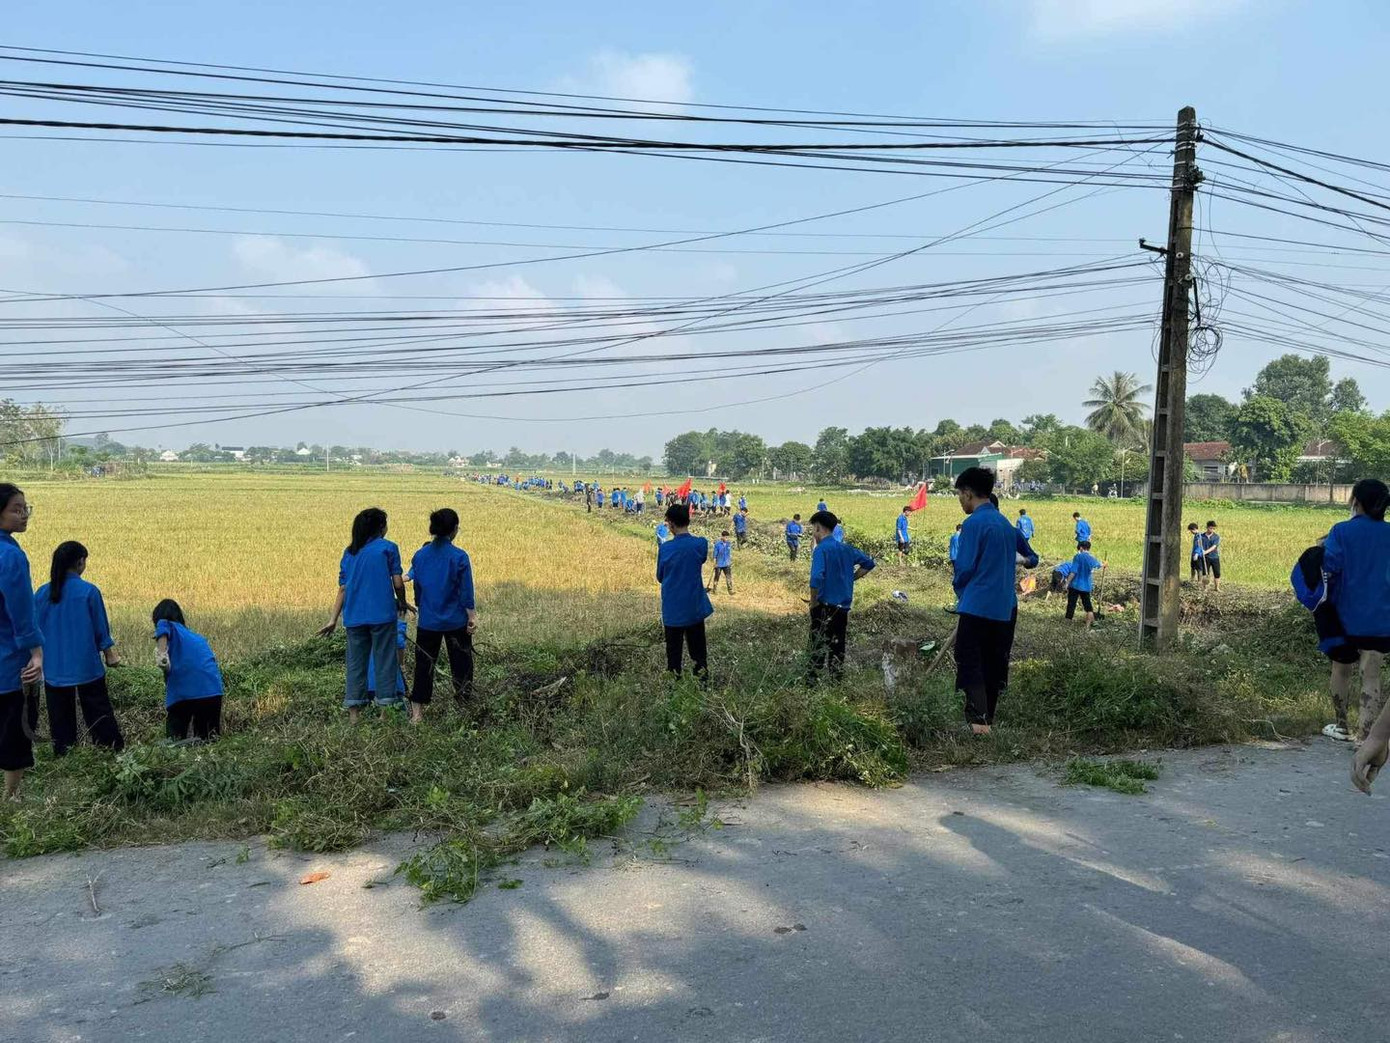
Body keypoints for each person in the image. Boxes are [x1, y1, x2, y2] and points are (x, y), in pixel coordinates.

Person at [1311, 481, 1390, 762]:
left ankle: (1342, 725)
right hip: (1382, 617)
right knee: (1371, 674)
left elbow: (1329, 567)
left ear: (1355, 500)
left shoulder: (1342, 531)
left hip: (1345, 616)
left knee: (1341, 669)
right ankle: (1367, 735)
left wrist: (1321, 547)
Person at [34, 541, 124, 757]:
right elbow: (101, 630)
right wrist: (111, 656)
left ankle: (65, 756)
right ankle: (110, 752)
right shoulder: (89, 591)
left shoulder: (42, 593)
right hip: (86, 666)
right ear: (80, 562)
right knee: (99, 713)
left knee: (60, 720)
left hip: (54, 669)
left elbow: (34, 630)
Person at [319, 508, 409, 722]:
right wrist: (402, 601)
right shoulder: (388, 548)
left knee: (355, 664)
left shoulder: (349, 552)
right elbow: (397, 582)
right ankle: (385, 712)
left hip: (354, 617)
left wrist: (333, 619)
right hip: (382, 616)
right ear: (380, 527)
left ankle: (354, 715)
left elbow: (343, 588)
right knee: (385, 662)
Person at [951, 467, 1022, 736]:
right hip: (1004, 607)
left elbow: (965, 568)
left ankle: (977, 722)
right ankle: (987, 719)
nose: (960, 500)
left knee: (969, 659)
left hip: (977, 605)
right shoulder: (1006, 525)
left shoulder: (973, 525)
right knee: (994, 662)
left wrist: (960, 593)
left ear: (968, 493)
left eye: (959, 495)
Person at [408, 508, 477, 724]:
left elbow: (418, 589)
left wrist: (421, 605)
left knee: (423, 665)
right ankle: (464, 706)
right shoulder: (459, 556)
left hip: (428, 620)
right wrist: (472, 616)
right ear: (454, 530)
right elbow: (466, 591)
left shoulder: (420, 556)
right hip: (456, 620)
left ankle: (417, 713)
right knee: (462, 664)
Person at [0, 484, 42, 800]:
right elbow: (22, 612)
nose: (24, 515)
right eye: (16, 508)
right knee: (14, 729)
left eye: (26, 508)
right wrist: (36, 653)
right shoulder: (11, 556)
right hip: (8, 663)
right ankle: (12, 797)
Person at [807, 510, 875, 682]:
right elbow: (869, 563)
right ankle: (835, 682)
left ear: (818, 528)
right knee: (837, 647)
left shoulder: (821, 550)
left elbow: (816, 577)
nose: (813, 534)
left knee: (817, 646)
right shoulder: (846, 549)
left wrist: (813, 603)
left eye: (813, 530)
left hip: (823, 607)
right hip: (842, 609)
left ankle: (812, 683)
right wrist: (852, 578)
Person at [153, 599, 224, 741]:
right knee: (209, 740)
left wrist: (162, 655)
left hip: (185, 692)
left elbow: (162, 627)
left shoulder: (165, 623)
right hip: (213, 691)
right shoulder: (197, 637)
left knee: (174, 741)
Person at [656, 504, 712, 679]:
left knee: (674, 656)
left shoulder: (665, 549)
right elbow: (700, 558)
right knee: (699, 654)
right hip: (694, 608)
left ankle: (674, 688)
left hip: (673, 611)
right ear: (688, 521)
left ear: (671, 524)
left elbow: (660, 576)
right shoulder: (700, 544)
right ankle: (702, 684)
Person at [366, 613, 408, 705]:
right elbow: (400, 643)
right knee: (397, 709)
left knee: (370, 712)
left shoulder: (372, 624)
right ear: (400, 613)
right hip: (390, 683)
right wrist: (401, 664)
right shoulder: (397, 624)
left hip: (368, 682)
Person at [1065, 541, 1105, 629]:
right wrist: (1104, 564)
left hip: (1075, 585)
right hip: (1086, 586)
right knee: (1088, 606)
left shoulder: (1078, 557)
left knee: (1071, 604)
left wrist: (1067, 582)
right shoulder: (1091, 558)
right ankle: (1088, 626)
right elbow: (1099, 565)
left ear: (1081, 548)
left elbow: (1073, 572)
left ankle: (1067, 623)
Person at [708, 531, 735, 595]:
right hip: (719, 564)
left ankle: (730, 590)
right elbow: (715, 555)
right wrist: (714, 563)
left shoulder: (728, 544)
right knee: (717, 577)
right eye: (725, 537)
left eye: (727, 537)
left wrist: (730, 561)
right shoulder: (717, 544)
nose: (727, 539)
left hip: (727, 563)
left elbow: (729, 553)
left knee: (728, 577)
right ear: (722, 537)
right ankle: (714, 589)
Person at [1201, 521, 1222, 590]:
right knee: (1205, 573)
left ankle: (1217, 587)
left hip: (1214, 557)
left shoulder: (1216, 537)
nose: (1212, 530)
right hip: (1205, 558)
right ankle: (1205, 588)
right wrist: (1200, 552)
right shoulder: (1201, 536)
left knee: (1217, 573)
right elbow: (1198, 545)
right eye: (1210, 528)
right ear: (1207, 527)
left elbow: (1214, 547)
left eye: (1213, 528)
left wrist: (1205, 552)